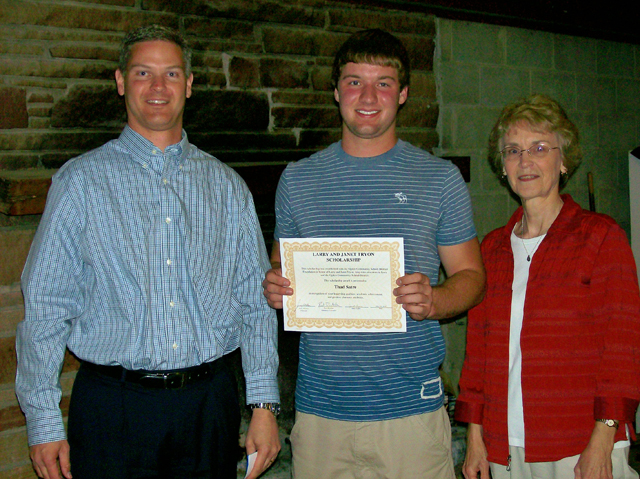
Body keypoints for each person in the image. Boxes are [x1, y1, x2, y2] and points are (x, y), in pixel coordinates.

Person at [15, 25, 280, 479]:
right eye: (143, 73)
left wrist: (264, 404)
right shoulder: (80, 183)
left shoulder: (227, 186)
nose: (158, 87)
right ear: (121, 82)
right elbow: (46, 305)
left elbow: (254, 302)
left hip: (208, 407)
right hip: (112, 409)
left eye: (171, 73)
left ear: (188, 84)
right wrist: (43, 420)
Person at [262, 28, 486, 478]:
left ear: (402, 94)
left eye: (383, 83)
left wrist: (435, 300)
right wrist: (275, 287)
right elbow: (279, 265)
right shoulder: (297, 180)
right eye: (354, 81)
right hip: (321, 414)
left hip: (411, 414)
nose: (367, 96)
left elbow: (472, 277)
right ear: (336, 91)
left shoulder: (439, 179)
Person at [455, 94, 640, 479]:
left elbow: (623, 347)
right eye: (513, 151)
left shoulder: (600, 237)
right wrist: (475, 436)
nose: (525, 161)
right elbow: (477, 355)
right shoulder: (491, 249)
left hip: (579, 442)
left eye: (539, 148)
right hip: (504, 441)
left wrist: (603, 438)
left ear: (564, 159)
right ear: (503, 166)